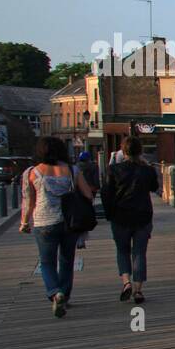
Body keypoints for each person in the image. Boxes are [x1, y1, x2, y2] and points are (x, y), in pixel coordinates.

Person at [20, 135, 94, 318]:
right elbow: (89, 195)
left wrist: (24, 222)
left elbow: (28, 201)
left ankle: (55, 292)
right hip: (69, 223)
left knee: (47, 262)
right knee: (67, 260)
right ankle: (65, 295)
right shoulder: (72, 170)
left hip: (44, 222)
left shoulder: (32, 172)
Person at [102, 135, 160, 303]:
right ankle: (138, 290)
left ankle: (126, 282)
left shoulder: (113, 170)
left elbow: (106, 193)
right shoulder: (147, 170)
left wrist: (109, 214)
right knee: (139, 253)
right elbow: (154, 187)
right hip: (142, 215)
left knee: (122, 250)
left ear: (123, 151)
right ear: (140, 151)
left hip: (120, 216)